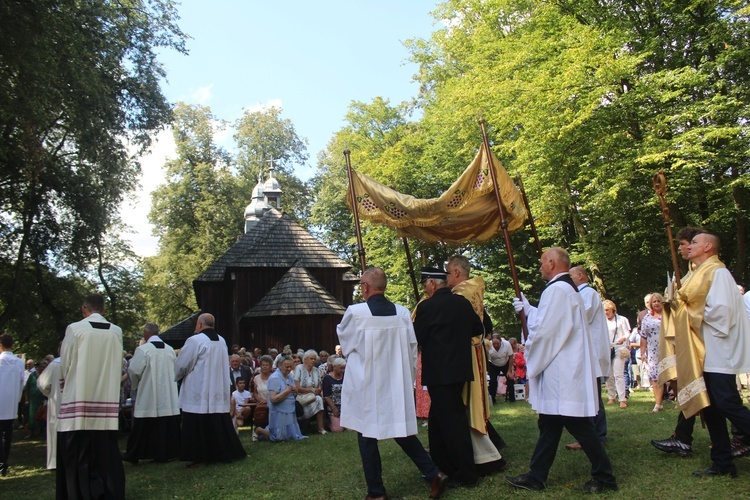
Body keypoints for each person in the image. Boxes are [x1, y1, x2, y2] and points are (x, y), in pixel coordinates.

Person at [506, 248, 617, 493]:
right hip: (563, 366)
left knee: (579, 426)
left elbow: (548, 332)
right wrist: (529, 309)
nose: (539, 266)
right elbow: (551, 321)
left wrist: (530, 351)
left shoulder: (557, 290)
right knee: (549, 424)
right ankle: (536, 476)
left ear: (552, 263)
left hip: (562, 370)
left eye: (542, 262)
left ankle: (605, 477)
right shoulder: (566, 289)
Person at [339, 267, 448, 499]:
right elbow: (411, 350)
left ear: (365, 287)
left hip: (367, 385)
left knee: (367, 437)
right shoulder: (402, 313)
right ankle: (433, 474)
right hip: (394, 384)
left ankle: (376, 492)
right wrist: (407, 380)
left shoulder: (356, 312)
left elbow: (346, 345)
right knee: (402, 431)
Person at [667, 232, 750, 477]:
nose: (689, 246)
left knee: (727, 403)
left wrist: (687, 311)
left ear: (708, 246)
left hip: (718, 352)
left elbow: (721, 312)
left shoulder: (719, 273)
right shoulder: (697, 273)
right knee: (711, 408)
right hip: (703, 351)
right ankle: (723, 463)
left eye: (694, 242)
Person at [414, 266, 483, 487]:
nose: (424, 289)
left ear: (433, 283)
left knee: (453, 423)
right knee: (437, 421)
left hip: (438, 373)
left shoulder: (426, 307)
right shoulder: (462, 303)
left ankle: (465, 473)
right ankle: (440, 466)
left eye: (425, 284)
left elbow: (416, 337)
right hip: (459, 370)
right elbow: (478, 327)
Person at [57, 294, 125, 499]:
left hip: (79, 398)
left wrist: (63, 380)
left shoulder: (75, 329)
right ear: (103, 310)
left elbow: (66, 361)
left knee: (77, 451)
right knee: (105, 451)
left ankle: (76, 492)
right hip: (106, 400)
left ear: (83, 309)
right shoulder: (116, 331)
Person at [445, 255, 507, 474]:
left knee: (469, 400)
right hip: (474, 349)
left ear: (456, 273)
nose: (446, 278)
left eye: (447, 272)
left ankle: (483, 452)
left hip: (467, 351)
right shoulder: (473, 291)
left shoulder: (461, 294)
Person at [174, 313, 246, 466]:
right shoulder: (222, 341)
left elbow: (182, 364)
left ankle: (198, 455)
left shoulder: (194, 340)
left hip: (199, 388)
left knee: (197, 420)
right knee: (217, 420)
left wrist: (177, 375)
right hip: (217, 388)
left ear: (200, 325)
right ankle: (220, 452)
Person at [565, 265, 610, 450]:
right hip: (590, 350)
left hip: (591, 351)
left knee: (592, 394)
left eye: (571, 276)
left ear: (581, 276)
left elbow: (582, 315)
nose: (568, 279)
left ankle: (595, 435)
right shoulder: (583, 293)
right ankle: (597, 434)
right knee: (593, 394)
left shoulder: (588, 293)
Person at [122, 322, 180, 464]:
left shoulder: (143, 350)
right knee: (165, 424)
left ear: (146, 334)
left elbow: (133, 370)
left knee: (144, 424)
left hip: (149, 394)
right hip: (168, 396)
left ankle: (136, 453)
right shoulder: (170, 350)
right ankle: (166, 453)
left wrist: (135, 385)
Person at [253, 355, 307, 442]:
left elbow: (294, 391)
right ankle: (259, 430)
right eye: (287, 367)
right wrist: (287, 391)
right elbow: (273, 399)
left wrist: (295, 390)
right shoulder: (275, 378)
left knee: (290, 436)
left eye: (290, 366)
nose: (289, 369)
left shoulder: (290, 376)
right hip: (278, 411)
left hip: (290, 409)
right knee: (279, 437)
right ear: (280, 366)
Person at [0, 334, 25, 476]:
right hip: (11, 403)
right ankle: (5, 461)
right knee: (7, 434)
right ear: (13, 345)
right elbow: (22, 382)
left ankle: (2, 462)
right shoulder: (19, 362)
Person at [37, 344, 62, 470]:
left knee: (55, 430)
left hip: (58, 402)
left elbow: (43, 383)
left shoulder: (55, 364)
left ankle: (55, 462)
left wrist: (50, 394)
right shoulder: (81, 363)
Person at [640, 293, 665, 412]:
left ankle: (679, 400)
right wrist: (643, 352)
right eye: (654, 302)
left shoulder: (668, 316)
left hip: (667, 348)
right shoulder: (647, 318)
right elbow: (643, 336)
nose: (656, 303)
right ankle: (658, 403)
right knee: (655, 377)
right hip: (653, 351)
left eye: (658, 301)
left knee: (673, 377)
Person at [603, 300, 631, 408]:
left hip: (619, 348)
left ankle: (622, 399)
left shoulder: (622, 320)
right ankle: (611, 396)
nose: (606, 312)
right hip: (606, 348)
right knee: (608, 374)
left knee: (618, 374)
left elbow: (627, 333)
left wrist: (623, 338)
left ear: (613, 310)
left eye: (607, 310)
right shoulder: (602, 321)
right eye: (604, 310)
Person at [293, 349, 327, 434]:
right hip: (300, 396)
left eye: (315, 359)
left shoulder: (316, 370)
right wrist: (311, 390)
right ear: (305, 359)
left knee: (319, 399)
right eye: (311, 359)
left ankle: (320, 428)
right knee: (318, 399)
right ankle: (302, 421)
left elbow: (319, 385)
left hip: (314, 396)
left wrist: (318, 389)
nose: (313, 361)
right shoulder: (299, 368)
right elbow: (296, 387)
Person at [24, 359, 47, 439]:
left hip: (44, 399)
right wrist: (26, 399)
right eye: (41, 366)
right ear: (38, 367)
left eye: (44, 367)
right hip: (33, 400)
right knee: (32, 416)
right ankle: (31, 433)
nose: (42, 368)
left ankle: (42, 432)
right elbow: (27, 388)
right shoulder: (32, 375)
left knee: (43, 415)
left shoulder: (47, 375)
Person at [322, 357, 345, 432]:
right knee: (338, 429)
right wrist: (334, 408)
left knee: (351, 429)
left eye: (344, 368)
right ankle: (328, 423)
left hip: (345, 406)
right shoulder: (327, 378)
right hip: (333, 406)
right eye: (341, 368)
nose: (342, 370)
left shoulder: (345, 376)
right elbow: (326, 396)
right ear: (335, 367)